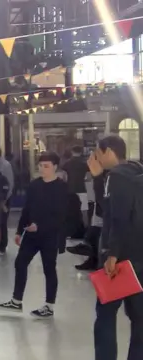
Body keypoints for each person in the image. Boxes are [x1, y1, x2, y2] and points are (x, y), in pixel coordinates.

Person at [0, 152, 68, 318]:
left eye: (46, 166)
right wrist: (20, 230)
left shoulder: (61, 188)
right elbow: (27, 210)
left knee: (49, 268)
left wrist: (40, 226)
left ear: (55, 167)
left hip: (50, 235)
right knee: (20, 263)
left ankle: (49, 305)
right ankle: (16, 300)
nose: (42, 169)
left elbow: (61, 215)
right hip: (32, 234)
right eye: (40, 166)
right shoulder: (34, 185)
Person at [93, 135, 143, 360]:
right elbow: (110, 208)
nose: (97, 159)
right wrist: (97, 178)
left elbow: (116, 217)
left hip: (121, 260)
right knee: (139, 318)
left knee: (105, 314)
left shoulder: (116, 176)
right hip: (139, 254)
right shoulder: (137, 171)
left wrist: (112, 254)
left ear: (109, 151)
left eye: (98, 154)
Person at [68, 149, 106, 270]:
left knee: (95, 232)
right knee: (93, 230)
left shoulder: (108, 175)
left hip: (103, 208)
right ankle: (91, 256)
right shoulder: (98, 175)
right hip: (97, 205)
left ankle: (90, 252)